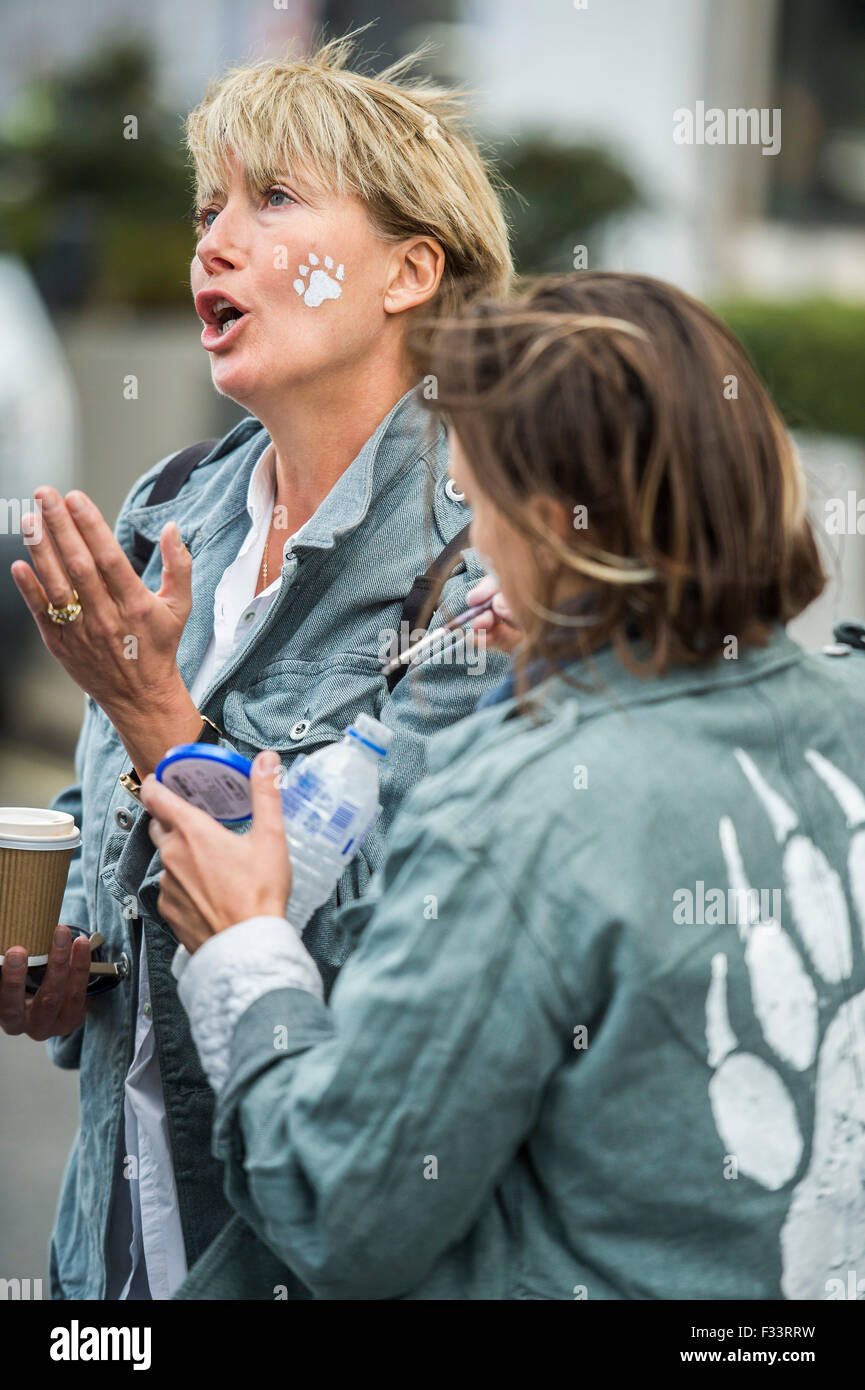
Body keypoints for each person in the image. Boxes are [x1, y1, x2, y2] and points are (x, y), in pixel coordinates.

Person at [142, 271, 865, 1301]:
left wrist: (243, 949)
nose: (474, 554)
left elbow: (341, 1211)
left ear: (552, 526)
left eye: (478, 504)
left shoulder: (529, 814)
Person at [0, 34, 513, 1300]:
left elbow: (404, 958)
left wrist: (152, 705)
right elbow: (103, 816)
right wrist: (66, 957)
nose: (212, 243)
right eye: (205, 209)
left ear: (408, 270)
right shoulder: (172, 504)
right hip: (112, 1252)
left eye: (271, 199)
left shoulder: (488, 561)